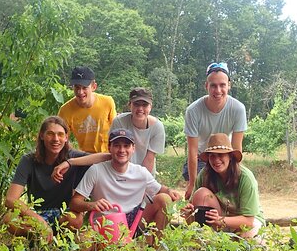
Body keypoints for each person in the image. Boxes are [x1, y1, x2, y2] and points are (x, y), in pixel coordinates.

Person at [4, 116, 109, 241]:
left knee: (75, 219)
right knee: (9, 219)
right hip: (37, 214)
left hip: (63, 214)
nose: (55, 139)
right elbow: (11, 199)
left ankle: (58, 238)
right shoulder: (28, 160)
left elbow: (107, 157)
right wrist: (38, 220)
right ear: (42, 136)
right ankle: (39, 236)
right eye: (50, 134)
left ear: (66, 138)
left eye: (60, 134)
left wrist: (69, 163)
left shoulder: (73, 157)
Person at [69, 128, 181, 238]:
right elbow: (75, 202)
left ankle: (155, 248)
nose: (122, 150)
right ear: (109, 148)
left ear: (133, 149)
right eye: (117, 145)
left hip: (134, 220)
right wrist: (92, 205)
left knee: (164, 199)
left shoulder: (141, 172)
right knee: (83, 239)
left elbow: (161, 190)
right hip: (105, 223)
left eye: (126, 146)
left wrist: (171, 192)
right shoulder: (96, 170)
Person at [183, 62, 247, 199]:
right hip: (203, 158)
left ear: (229, 85)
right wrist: (192, 184)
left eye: (222, 85)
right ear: (206, 86)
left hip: (226, 156)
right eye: (213, 85)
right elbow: (192, 151)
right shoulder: (193, 111)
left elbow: (237, 147)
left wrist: (237, 177)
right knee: (203, 194)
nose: (218, 90)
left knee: (231, 193)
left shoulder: (238, 109)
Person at [184, 133, 264, 238]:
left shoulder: (245, 178)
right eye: (212, 156)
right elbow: (193, 212)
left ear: (230, 156)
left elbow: (249, 220)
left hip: (246, 221)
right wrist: (188, 212)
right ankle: (203, 244)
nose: (216, 160)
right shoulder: (204, 174)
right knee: (201, 193)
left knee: (248, 240)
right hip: (218, 219)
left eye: (220, 155)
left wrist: (221, 220)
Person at [58, 66, 116, 153]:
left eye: (84, 88)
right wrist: (74, 153)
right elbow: (60, 137)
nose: (80, 92)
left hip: (108, 155)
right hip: (85, 157)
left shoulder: (107, 102)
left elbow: (116, 129)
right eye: (77, 87)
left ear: (94, 87)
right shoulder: (65, 110)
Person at [110, 87, 165, 175]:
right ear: (129, 105)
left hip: (145, 174)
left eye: (144, 105)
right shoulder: (119, 121)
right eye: (136, 104)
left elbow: (150, 158)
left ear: (150, 107)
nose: (140, 108)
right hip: (119, 171)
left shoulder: (157, 127)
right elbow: (114, 151)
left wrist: (139, 180)